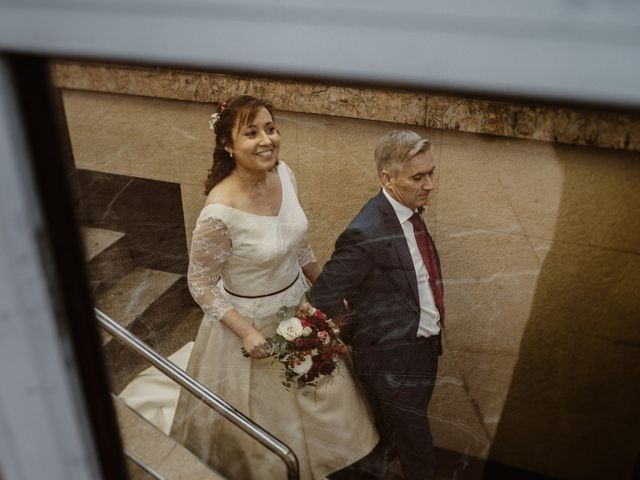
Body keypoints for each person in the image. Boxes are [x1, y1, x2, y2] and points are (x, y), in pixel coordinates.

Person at [170, 95, 378, 480]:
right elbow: (199, 283)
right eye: (251, 133)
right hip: (250, 327)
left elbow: (299, 245)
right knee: (267, 423)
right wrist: (247, 332)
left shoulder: (285, 174)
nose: (267, 140)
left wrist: (326, 290)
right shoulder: (218, 212)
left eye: (270, 128)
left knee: (326, 405)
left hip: (300, 309)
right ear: (227, 145)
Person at [310, 130, 444, 480]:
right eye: (418, 177)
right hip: (392, 361)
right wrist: (362, 335)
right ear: (388, 177)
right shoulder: (365, 231)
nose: (429, 184)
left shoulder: (409, 211)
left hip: (424, 348)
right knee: (418, 448)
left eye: (431, 173)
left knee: (393, 435)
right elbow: (323, 294)